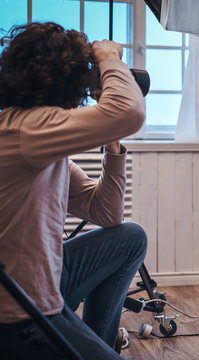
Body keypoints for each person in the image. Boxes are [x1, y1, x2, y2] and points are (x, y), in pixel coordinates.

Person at [0, 22, 147, 359]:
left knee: (130, 237)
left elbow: (106, 214)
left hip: (45, 281)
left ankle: (99, 342)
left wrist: (112, 145)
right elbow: (130, 110)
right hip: (20, 311)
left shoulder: (35, 139)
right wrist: (110, 59)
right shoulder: (27, 128)